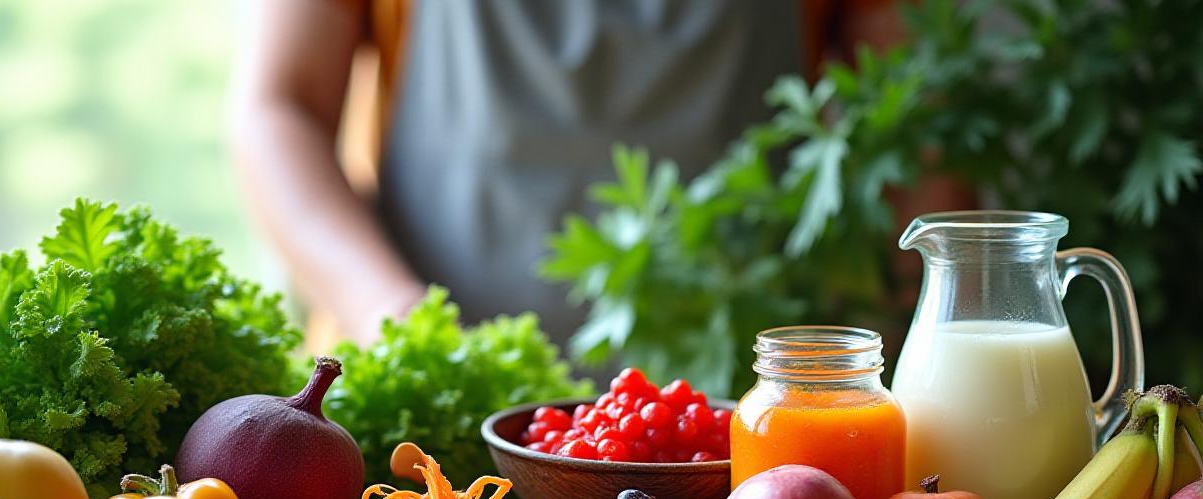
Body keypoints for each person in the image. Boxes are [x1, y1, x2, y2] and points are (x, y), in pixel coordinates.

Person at [229, 0, 895, 346]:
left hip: (737, 428)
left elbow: (911, 130)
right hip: (433, 424)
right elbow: (280, 106)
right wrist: (386, 312)